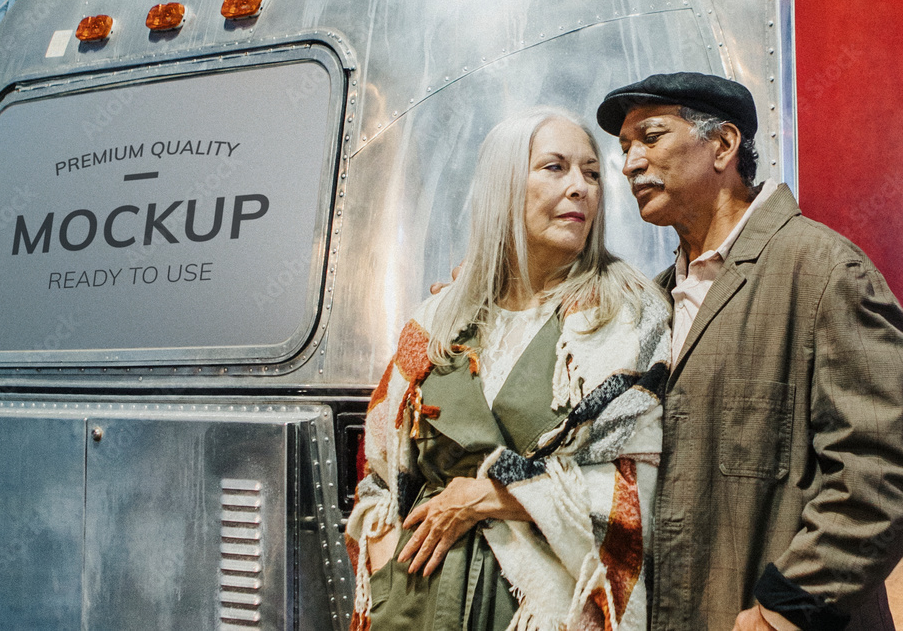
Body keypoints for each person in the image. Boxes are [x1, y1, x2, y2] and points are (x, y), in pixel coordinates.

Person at [595, 72, 903, 631]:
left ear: (723, 144)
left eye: (652, 137)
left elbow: (882, 466)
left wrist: (786, 608)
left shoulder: (824, 272)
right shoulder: (655, 299)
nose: (630, 164)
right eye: (623, 148)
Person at [346, 107, 671, 631]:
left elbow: (639, 486)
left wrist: (496, 494)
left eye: (591, 173)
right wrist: (384, 555)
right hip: (419, 602)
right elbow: (378, 466)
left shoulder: (626, 313)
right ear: (503, 185)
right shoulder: (440, 317)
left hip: (543, 609)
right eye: (554, 167)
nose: (580, 188)